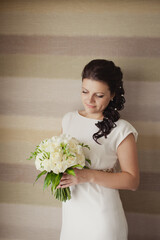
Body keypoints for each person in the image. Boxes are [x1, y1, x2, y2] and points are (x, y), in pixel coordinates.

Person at [58, 59, 139, 240]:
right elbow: (60, 159)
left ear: (112, 95)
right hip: (72, 214)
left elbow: (132, 181)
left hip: (102, 217)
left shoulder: (122, 129)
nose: (90, 100)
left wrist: (88, 175)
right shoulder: (68, 119)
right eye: (85, 91)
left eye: (99, 95)